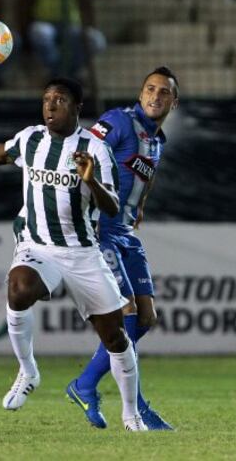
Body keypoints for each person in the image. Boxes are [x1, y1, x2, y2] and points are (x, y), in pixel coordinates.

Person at [0, 77, 147, 432]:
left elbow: (112, 206)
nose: (50, 106)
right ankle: (28, 370)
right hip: (37, 245)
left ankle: (131, 414)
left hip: (82, 253)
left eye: (59, 100)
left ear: (77, 108)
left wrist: (90, 181)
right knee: (19, 288)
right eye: (46, 99)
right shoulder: (31, 139)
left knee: (116, 337)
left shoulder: (96, 149)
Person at [66, 66, 179, 430]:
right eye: (150, 89)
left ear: (173, 102)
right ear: (140, 92)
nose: (155, 96)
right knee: (125, 315)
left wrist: (141, 203)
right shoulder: (118, 121)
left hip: (126, 234)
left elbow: (144, 175)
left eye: (164, 92)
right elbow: (82, 153)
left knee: (146, 319)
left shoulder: (156, 140)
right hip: (101, 231)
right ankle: (137, 408)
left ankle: (84, 384)